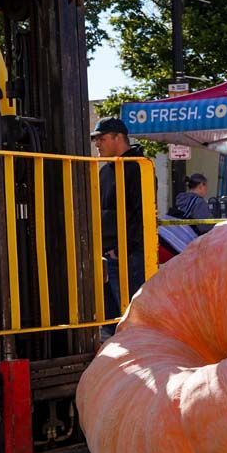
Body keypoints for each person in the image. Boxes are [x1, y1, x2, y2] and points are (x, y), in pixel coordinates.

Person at [92, 116, 150, 320]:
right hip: (109, 256)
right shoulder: (105, 170)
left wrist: (123, 249)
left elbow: (142, 213)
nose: (97, 143)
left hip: (128, 256)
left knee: (133, 317)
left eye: (101, 138)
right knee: (111, 319)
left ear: (119, 138)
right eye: (95, 139)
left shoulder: (138, 166)